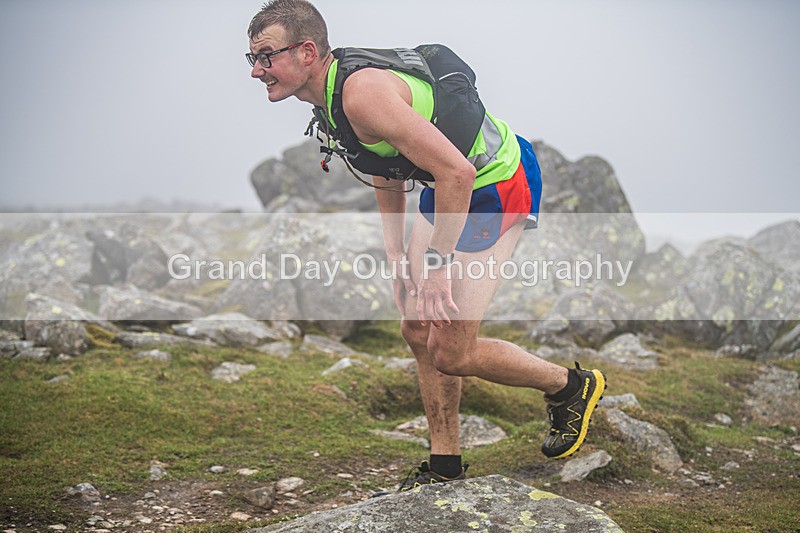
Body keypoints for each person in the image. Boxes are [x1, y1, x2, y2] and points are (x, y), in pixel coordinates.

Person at [246, 0, 606, 490]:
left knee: (453, 352)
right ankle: (445, 467)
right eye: (251, 59)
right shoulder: (327, 98)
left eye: (266, 56)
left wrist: (435, 267)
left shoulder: (361, 94)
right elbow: (383, 164)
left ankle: (569, 386)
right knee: (418, 328)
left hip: (494, 184)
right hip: (449, 187)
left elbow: (459, 171)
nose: (256, 71)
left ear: (307, 51)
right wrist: (396, 254)